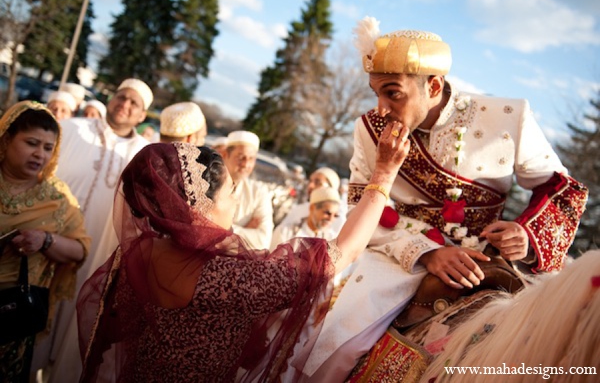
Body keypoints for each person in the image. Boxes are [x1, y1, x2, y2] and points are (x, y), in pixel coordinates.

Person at [303, 17, 588, 381]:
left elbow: (562, 188)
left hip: (483, 258)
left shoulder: (509, 117)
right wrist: (428, 252)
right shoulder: (368, 129)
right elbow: (360, 210)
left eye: (393, 93)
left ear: (434, 85)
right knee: (333, 348)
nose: (380, 109)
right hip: (399, 255)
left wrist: (527, 235)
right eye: (375, 92)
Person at [77, 130, 410, 382]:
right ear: (199, 206)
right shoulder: (226, 278)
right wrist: (383, 174)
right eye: (230, 192)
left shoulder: (141, 251)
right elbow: (344, 252)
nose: (236, 203)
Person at [33, 78, 153, 382]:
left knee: (74, 333)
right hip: (45, 246)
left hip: (97, 261)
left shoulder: (144, 156)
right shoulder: (72, 129)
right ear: (111, 98)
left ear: (142, 116)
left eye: (134, 103)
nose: (124, 104)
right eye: (121, 96)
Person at [0, 101, 90, 381]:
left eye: (48, 148)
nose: (40, 154)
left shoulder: (57, 197)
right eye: (31, 143)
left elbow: (80, 249)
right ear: (6, 139)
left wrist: (46, 240)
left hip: (10, 318)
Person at [222, 130, 273, 249]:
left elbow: (262, 241)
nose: (246, 164)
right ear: (225, 155)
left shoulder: (259, 192)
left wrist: (224, 228)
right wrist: (244, 231)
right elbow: (200, 228)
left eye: (251, 159)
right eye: (241, 157)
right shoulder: (208, 183)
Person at [279, 167, 344, 236]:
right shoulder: (299, 209)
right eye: (310, 181)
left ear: (331, 188)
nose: (310, 185)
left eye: (317, 182)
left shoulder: (338, 220)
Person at [270, 186, 341, 249]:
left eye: (335, 215)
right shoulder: (286, 232)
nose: (331, 219)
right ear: (312, 208)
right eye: (327, 213)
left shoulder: (332, 240)